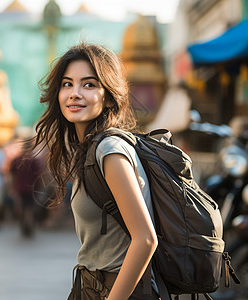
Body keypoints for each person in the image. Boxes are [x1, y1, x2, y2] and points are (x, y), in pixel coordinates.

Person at [31, 43, 158, 300]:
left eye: (88, 85)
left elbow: (145, 239)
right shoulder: (88, 148)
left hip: (116, 290)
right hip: (90, 286)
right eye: (67, 84)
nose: (74, 93)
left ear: (109, 96)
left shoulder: (109, 149)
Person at [9, 140, 43, 237]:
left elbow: (12, 175)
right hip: (32, 188)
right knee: (30, 207)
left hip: (19, 187)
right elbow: (39, 175)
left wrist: (12, 186)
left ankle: (24, 223)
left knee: (21, 206)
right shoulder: (34, 161)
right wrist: (39, 186)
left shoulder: (17, 160)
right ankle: (28, 224)